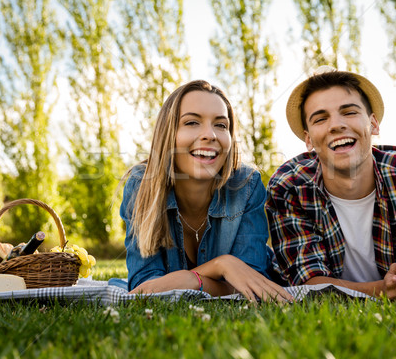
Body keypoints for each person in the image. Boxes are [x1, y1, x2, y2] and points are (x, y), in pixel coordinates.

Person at [265, 65, 396, 299]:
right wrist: (384, 289)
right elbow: (308, 284)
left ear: (374, 124)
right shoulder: (288, 186)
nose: (336, 125)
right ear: (308, 139)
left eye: (349, 112)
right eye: (320, 118)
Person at [118, 80, 293, 303]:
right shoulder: (141, 186)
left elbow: (251, 281)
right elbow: (144, 286)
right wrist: (222, 266)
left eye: (221, 125)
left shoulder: (246, 185)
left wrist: (186, 281)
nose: (210, 135)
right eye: (192, 122)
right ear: (168, 134)